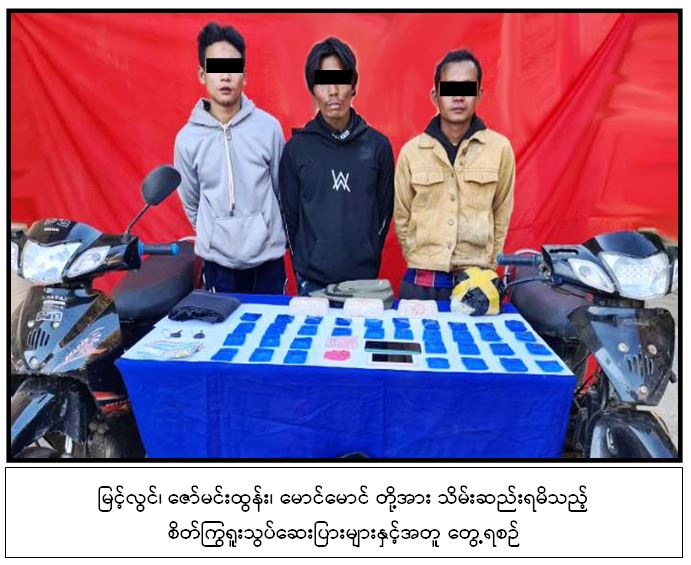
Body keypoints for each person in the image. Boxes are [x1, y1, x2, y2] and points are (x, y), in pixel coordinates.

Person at [394, 49, 515, 300]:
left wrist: (488, 264)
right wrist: (422, 257)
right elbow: (402, 216)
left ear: (479, 94)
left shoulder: (499, 149)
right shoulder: (412, 152)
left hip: (477, 279)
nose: (458, 97)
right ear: (435, 95)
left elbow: (501, 212)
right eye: (450, 88)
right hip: (422, 282)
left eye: (467, 88)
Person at [175, 22, 287, 294]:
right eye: (216, 68)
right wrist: (215, 233)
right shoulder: (187, 139)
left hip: (268, 261)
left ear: (244, 76)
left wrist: (267, 230)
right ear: (202, 74)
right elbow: (192, 201)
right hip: (218, 264)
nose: (225, 76)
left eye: (233, 68)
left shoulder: (268, 128)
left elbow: (282, 192)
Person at [278, 37, 394, 296]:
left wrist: (367, 251)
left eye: (341, 80)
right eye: (323, 81)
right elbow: (290, 218)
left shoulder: (378, 146)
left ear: (353, 85)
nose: (333, 91)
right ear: (312, 89)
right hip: (312, 282)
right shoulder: (296, 149)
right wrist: (307, 262)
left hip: (364, 281)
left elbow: (384, 212)